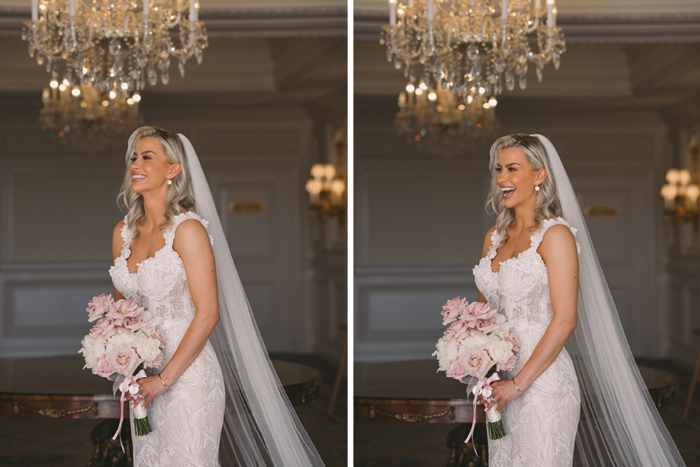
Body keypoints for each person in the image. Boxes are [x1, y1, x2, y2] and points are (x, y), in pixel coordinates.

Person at [109, 126, 325, 466]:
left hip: (188, 376)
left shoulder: (187, 230)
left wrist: (164, 380)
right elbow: (124, 313)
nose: (135, 164)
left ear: (173, 168)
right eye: (133, 157)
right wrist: (119, 357)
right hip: (142, 375)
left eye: (147, 157)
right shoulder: (123, 233)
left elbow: (209, 313)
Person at [472, 134, 686, 466]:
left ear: (539, 175)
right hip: (499, 383)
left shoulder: (555, 235)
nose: (501, 178)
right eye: (498, 169)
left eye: (512, 169)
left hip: (541, 383)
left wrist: (518, 384)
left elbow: (565, 320)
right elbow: (482, 314)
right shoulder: (494, 236)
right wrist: (475, 358)